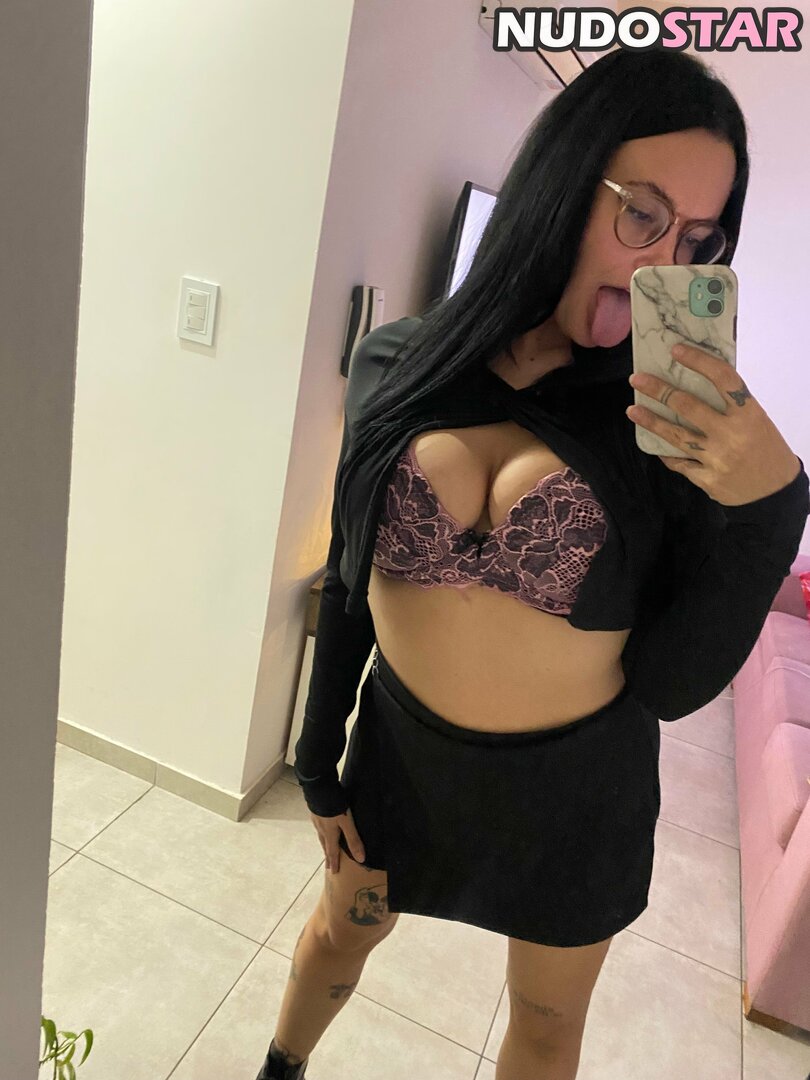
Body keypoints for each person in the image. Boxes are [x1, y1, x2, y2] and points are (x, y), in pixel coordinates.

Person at [256, 47, 809, 1080]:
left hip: (575, 798)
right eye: (643, 213)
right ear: (565, 181)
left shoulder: (669, 432)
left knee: (548, 1025)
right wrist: (318, 757)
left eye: (697, 239)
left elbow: (673, 684)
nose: (661, 261)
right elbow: (351, 578)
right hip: (403, 758)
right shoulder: (400, 363)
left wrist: (773, 507)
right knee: (338, 936)